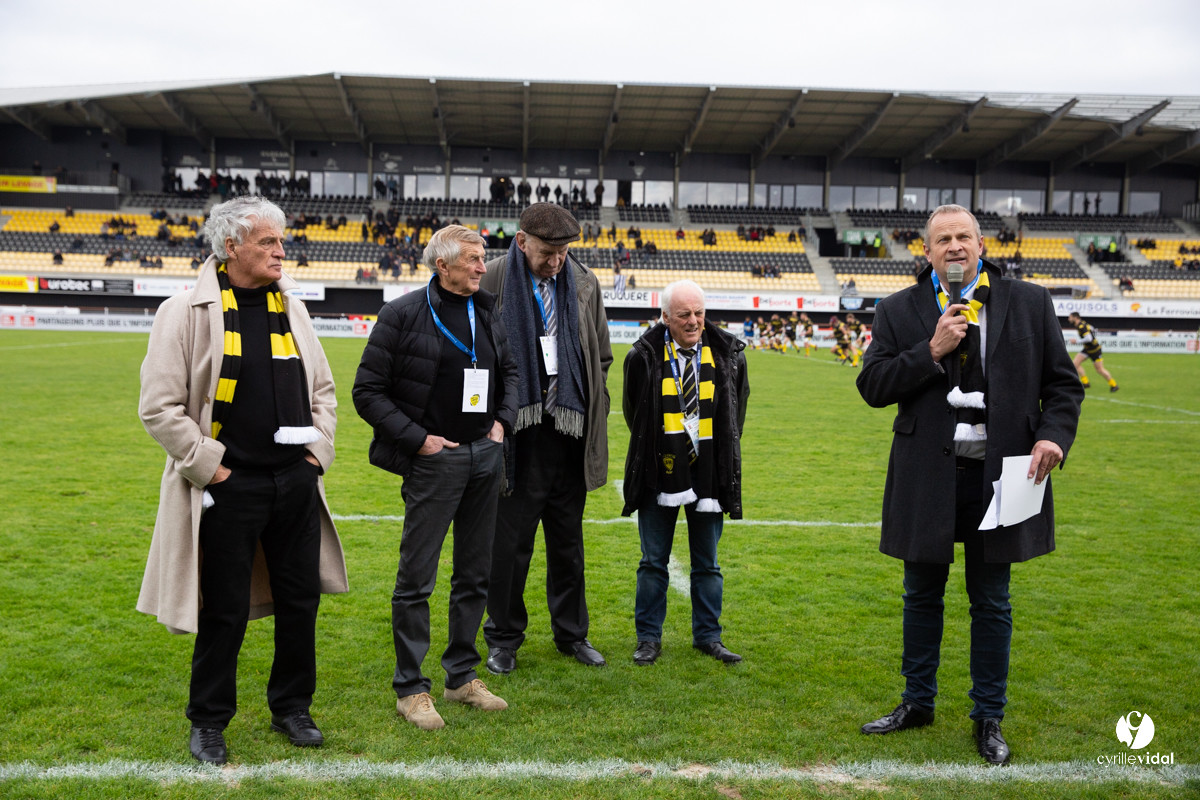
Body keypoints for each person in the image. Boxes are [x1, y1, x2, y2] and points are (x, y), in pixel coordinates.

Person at [856, 204, 1083, 766]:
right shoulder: (897, 309)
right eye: (942, 240)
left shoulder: (1029, 302)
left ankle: (988, 715)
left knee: (992, 601)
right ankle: (917, 702)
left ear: (981, 244)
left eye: (963, 237)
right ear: (926, 251)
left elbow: (1062, 385)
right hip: (926, 475)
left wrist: (1053, 436)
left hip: (1000, 477)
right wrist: (929, 351)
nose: (953, 247)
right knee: (920, 596)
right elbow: (873, 385)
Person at [137, 196, 347, 765]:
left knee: (301, 603)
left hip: (295, 483)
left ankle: (292, 708)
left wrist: (314, 459)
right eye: (268, 243)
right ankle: (208, 721)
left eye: (282, 241)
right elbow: (159, 408)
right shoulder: (183, 312)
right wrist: (214, 469)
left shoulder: (293, 310)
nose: (282, 251)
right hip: (227, 488)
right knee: (224, 610)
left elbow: (323, 394)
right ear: (232, 248)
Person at [352, 225, 518, 731]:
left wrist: (501, 423)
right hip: (434, 461)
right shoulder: (401, 314)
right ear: (441, 265)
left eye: (482, 257)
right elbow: (368, 391)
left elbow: (510, 372)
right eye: (470, 259)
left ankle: (461, 676)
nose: (480, 266)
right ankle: (411, 688)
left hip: (485, 456)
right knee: (416, 579)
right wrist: (418, 439)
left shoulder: (488, 308)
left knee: (474, 574)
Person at [479, 203, 613, 675]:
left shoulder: (584, 282)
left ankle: (572, 635)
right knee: (509, 546)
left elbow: (600, 353)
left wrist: (591, 400)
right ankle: (503, 639)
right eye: (547, 251)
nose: (556, 261)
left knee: (567, 543)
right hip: (517, 435)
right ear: (521, 241)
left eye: (563, 252)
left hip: (569, 432)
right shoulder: (491, 278)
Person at [621, 279, 750, 666]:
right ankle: (648, 639)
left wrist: (714, 452)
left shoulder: (730, 355)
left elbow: (736, 413)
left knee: (708, 563)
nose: (694, 321)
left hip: (710, 472)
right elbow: (634, 415)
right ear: (665, 317)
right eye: (684, 315)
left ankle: (708, 636)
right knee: (652, 561)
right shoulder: (642, 356)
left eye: (699, 313)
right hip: (660, 471)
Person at [1068, 312, 1119, 391]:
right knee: (1075, 364)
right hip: (1087, 349)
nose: (1069, 319)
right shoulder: (1082, 324)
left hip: (1095, 350)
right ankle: (1085, 383)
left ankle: (1114, 385)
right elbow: (1091, 328)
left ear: (1076, 318)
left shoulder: (1081, 326)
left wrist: (1076, 341)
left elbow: (1089, 338)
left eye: (1070, 317)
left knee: (1100, 370)